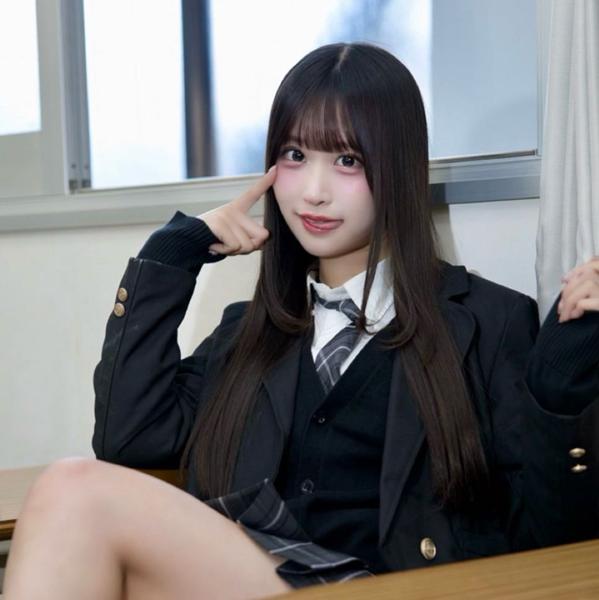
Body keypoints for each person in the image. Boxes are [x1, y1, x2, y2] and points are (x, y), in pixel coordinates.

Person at [4, 42, 599, 600]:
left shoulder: (487, 321)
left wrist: (561, 384)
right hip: (259, 573)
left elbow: (549, 532)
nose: (313, 192)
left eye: (347, 160)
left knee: (73, 490)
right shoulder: (247, 332)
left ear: (397, 168)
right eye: (294, 156)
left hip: (389, 585)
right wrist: (172, 255)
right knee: (73, 491)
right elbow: (128, 439)